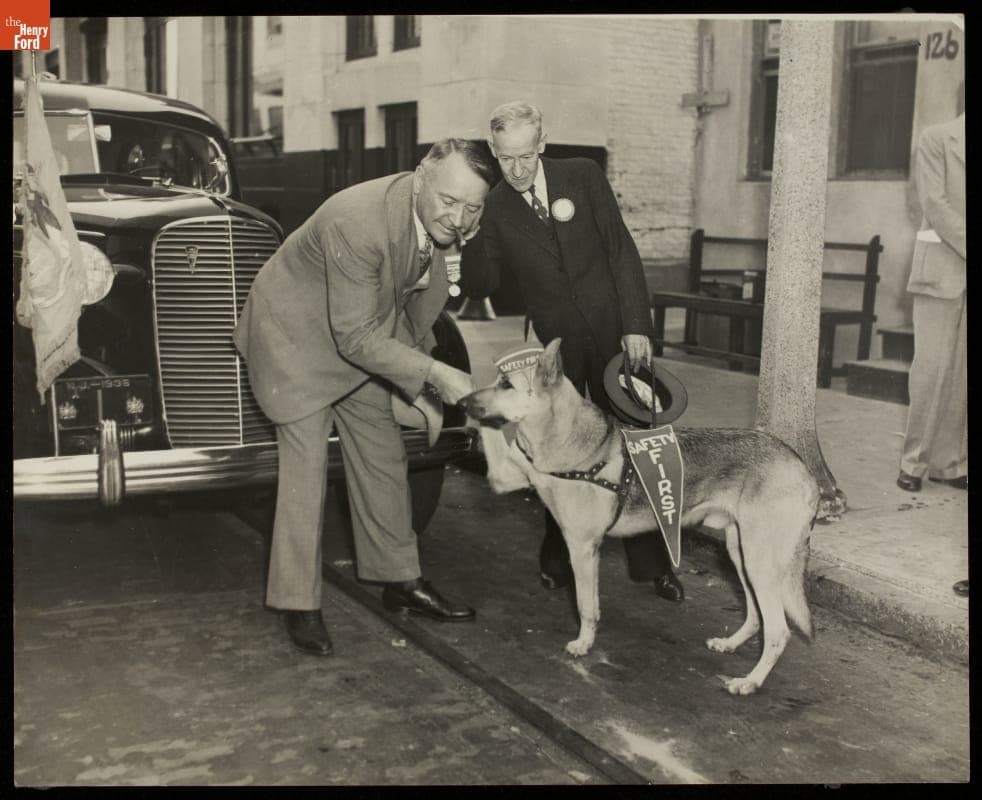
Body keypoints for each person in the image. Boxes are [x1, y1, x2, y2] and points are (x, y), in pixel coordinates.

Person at [234, 139, 493, 655]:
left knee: (381, 452)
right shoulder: (360, 220)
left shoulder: (437, 222)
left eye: (473, 207)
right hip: (296, 343)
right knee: (306, 473)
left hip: (360, 335)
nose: (459, 218)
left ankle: (400, 581)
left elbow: (403, 303)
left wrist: (416, 386)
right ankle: (297, 603)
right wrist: (436, 377)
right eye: (449, 201)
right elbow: (354, 337)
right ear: (421, 176)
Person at [460, 101, 684, 603]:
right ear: (494, 154)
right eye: (505, 159)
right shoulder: (494, 205)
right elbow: (481, 283)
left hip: (614, 333)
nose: (516, 170)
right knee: (559, 448)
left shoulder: (582, 176)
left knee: (639, 443)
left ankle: (655, 564)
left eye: (524, 155)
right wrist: (472, 233)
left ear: (542, 144)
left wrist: (636, 325)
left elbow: (620, 249)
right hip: (557, 351)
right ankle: (559, 554)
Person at [894, 110, 966, 596]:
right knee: (933, 370)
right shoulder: (938, 138)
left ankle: (951, 463)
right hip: (942, 270)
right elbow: (934, 204)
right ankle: (913, 462)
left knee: (962, 375)